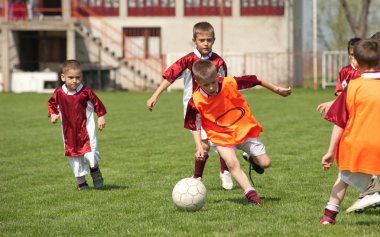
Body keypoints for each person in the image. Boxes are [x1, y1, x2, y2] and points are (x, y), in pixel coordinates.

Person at [184, 60, 292, 204]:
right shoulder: (195, 101)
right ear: (197, 82)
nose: (211, 87)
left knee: (266, 163)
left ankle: (253, 160)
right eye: (206, 84)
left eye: (213, 82)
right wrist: (199, 146)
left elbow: (255, 80)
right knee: (232, 163)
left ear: (217, 76)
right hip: (220, 136)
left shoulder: (229, 83)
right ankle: (251, 194)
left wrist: (277, 89)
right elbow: (195, 125)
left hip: (243, 130)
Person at [146, 22, 233, 190]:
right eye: (202, 40)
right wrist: (155, 95)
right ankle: (205, 175)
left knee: (220, 140)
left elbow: (224, 85)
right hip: (195, 110)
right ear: (195, 40)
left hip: (215, 109)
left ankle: (217, 173)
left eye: (209, 40)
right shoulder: (187, 60)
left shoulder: (219, 62)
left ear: (214, 40)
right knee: (206, 144)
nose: (206, 43)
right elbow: (169, 76)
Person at [318, 33, 380, 214]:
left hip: (356, 145)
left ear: (357, 65)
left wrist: (330, 151)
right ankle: (373, 192)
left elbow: (340, 121)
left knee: (343, 179)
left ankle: (329, 216)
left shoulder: (353, 86)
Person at [48, 60, 106, 191]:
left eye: (78, 77)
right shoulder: (59, 93)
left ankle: (96, 173)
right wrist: (53, 114)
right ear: (63, 77)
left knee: (90, 154)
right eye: (71, 77)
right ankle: (82, 184)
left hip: (86, 130)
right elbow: (51, 104)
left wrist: (101, 116)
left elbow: (97, 104)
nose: (75, 80)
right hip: (69, 133)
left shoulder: (86, 92)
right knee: (74, 156)